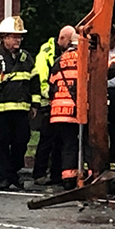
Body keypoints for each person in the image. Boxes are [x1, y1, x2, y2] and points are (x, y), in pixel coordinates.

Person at [0, 16, 40, 190]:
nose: (17, 40)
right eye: (14, 36)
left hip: (21, 111)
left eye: (19, 37)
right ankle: (6, 177)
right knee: (1, 145)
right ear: (4, 38)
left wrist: (35, 105)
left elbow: (35, 83)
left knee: (21, 142)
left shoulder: (27, 59)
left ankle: (12, 173)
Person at [32, 26, 75, 185]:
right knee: (47, 140)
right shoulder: (48, 52)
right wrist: (47, 95)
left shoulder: (60, 54)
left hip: (57, 104)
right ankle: (40, 174)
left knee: (59, 142)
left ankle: (56, 175)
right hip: (49, 104)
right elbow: (43, 77)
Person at [49, 32, 84, 189]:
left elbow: (51, 85)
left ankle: (67, 179)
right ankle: (83, 175)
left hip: (58, 111)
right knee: (84, 143)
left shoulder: (60, 60)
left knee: (67, 144)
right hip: (78, 109)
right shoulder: (85, 58)